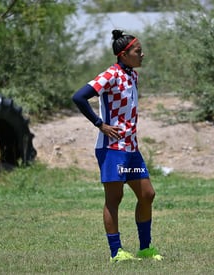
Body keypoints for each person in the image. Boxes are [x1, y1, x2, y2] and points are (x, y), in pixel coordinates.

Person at [72, 29, 162, 263]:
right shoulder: (110, 75)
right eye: (138, 51)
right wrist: (99, 124)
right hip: (112, 149)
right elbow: (79, 97)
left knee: (147, 195)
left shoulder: (132, 75)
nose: (143, 54)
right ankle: (116, 252)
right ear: (123, 54)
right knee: (115, 199)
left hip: (131, 149)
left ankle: (145, 249)